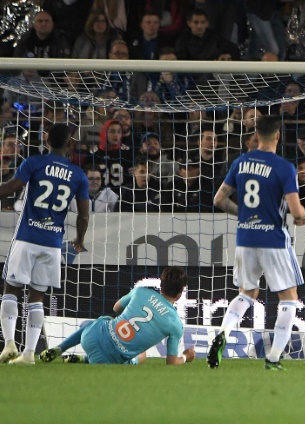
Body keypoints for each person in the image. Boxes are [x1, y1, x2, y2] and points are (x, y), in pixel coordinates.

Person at [206, 115, 305, 371]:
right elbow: (296, 211)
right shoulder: (284, 167)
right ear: (277, 136)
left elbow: (219, 200)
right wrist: (303, 216)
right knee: (289, 297)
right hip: (273, 239)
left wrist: (243, 214)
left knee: (247, 293)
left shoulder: (240, 162)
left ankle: (223, 332)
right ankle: (274, 358)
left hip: (245, 238)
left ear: (256, 136)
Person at [0, 123, 90, 364]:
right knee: (37, 297)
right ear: (70, 144)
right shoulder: (78, 175)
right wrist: (80, 239)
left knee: (11, 289)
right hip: (52, 244)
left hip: (27, 237)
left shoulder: (34, 163)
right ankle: (29, 353)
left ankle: (9, 343)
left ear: (47, 140)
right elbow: (83, 216)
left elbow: (9, 189)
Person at [38, 267, 195, 365]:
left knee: (104, 320)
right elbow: (171, 362)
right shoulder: (175, 324)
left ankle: (60, 349)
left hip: (90, 338)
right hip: (105, 361)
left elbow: (116, 308)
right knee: (141, 356)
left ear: (161, 285)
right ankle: (87, 360)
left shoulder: (140, 291)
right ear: (180, 293)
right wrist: (185, 357)